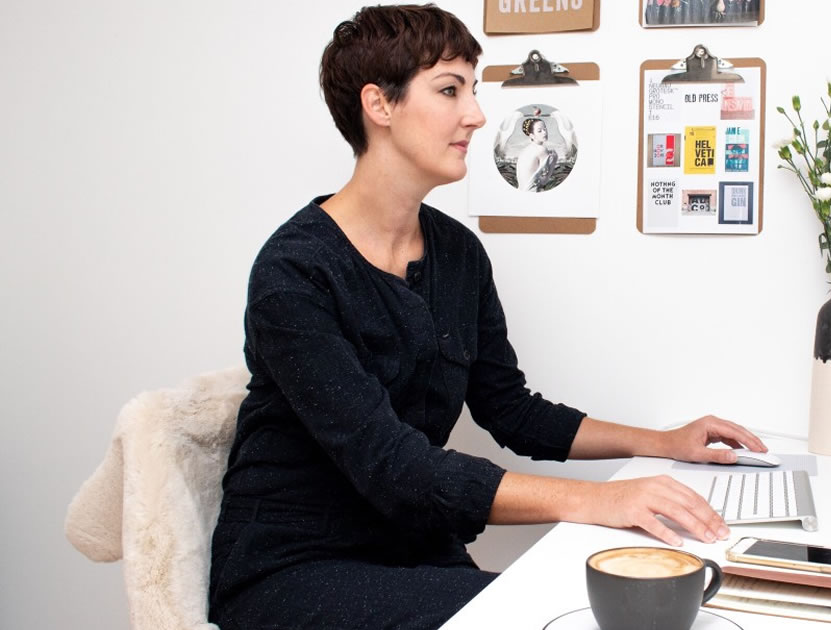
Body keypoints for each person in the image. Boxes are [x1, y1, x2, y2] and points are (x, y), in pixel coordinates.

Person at [207, 5, 767, 630]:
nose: (475, 115)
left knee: (586, 602)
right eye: (450, 91)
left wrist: (661, 442)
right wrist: (600, 501)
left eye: (472, 91)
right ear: (379, 104)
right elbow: (393, 467)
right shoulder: (294, 271)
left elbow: (511, 411)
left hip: (413, 548)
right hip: (292, 568)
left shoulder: (457, 253)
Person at [514, 117, 555, 191]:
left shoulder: (525, 150)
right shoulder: (541, 149)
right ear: (531, 135)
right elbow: (543, 181)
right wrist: (554, 160)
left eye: (545, 129)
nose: (544, 132)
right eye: (540, 131)